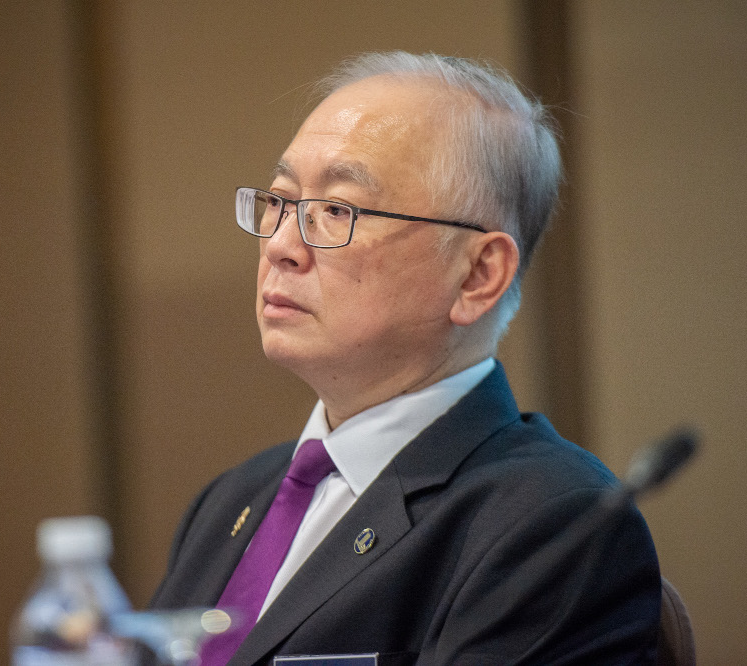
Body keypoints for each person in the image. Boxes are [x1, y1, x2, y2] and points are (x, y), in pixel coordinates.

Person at [149, 52, 661, 665]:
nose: (281, 245)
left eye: (338, 210)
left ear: (477, 274)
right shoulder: (230, 500)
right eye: (280, 201)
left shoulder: (552, 526)